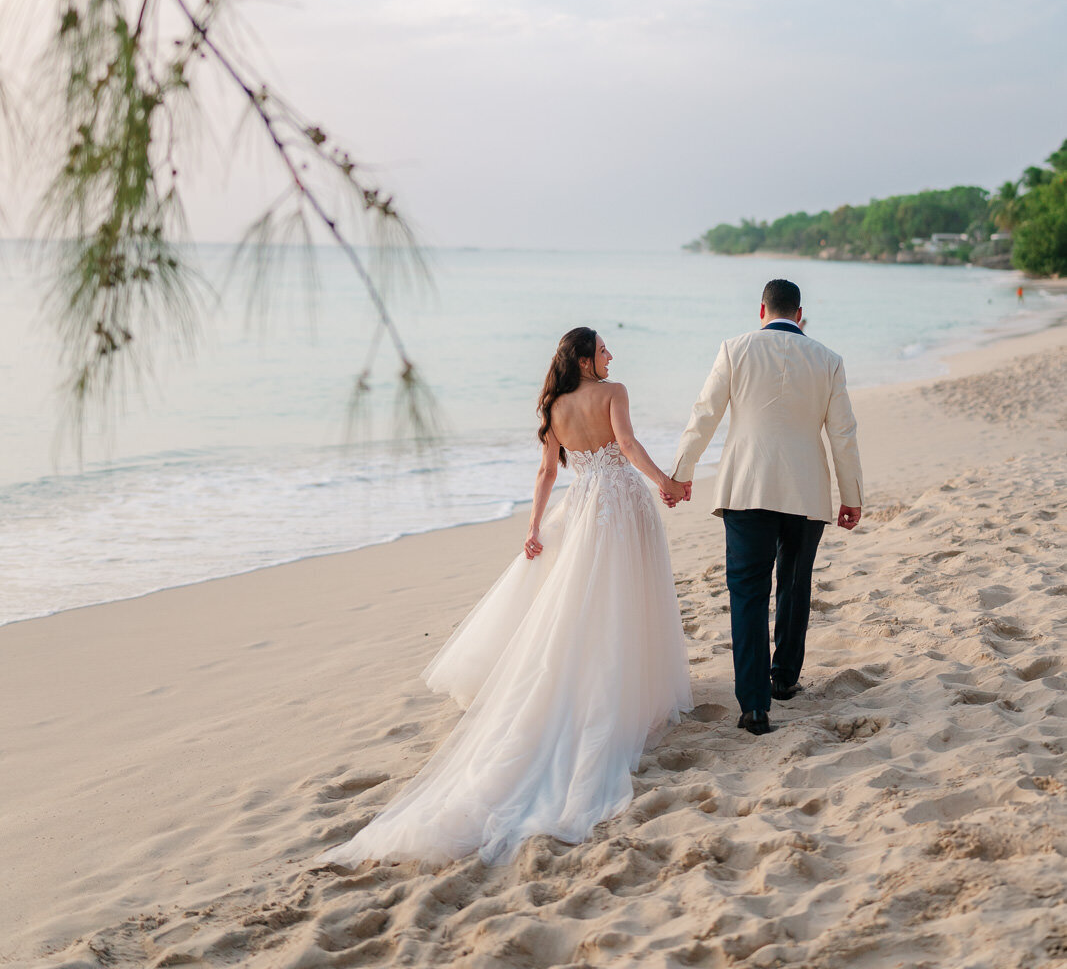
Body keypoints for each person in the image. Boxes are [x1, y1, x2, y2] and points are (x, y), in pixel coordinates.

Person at [324, 327, 692, 868]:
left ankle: (602, 682)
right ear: (587, 359)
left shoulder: (555, 406)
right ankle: (625, 694)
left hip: (583, 506)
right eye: (605, 348)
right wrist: (665, 482)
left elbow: (547, 472)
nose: (612, 355)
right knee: (626, 597)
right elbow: (629, 446)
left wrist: (534, 527)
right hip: (620, 503)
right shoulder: (615, 393)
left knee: (591, 604)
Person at [670, 280, 863, 737]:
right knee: (795, 584)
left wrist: (682, 472)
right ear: (799, 314)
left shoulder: (734, 350)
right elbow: (843, 434)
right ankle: (785, 679)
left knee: (748, 593)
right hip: (806, 490)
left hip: (747, 488)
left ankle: (754, 706)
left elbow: (704, 414)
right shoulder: (829, 360)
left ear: (762, 310)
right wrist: (851, 494)